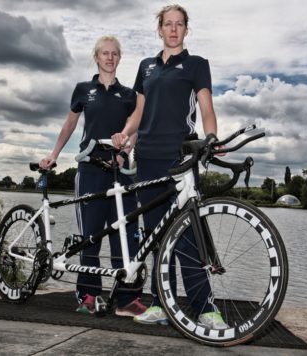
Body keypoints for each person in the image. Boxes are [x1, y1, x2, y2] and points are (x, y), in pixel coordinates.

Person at [112, 4, 227, 329]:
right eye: (168, 24)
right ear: (160, 29)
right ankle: (162, 302)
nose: (173, 29)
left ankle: (205, 308)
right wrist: (125, 134)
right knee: (157, 236)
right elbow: (138, 112)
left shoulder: (196, 65)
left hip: (180, 158)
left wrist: (211, 137)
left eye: (179, 24)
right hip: (147, 158)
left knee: (189, 236)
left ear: (186, 30)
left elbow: (206, 108)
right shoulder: (146, 67)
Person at [40, 36, 146, 317]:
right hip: (90, 170)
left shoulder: (129, 95)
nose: (110, 58)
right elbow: (70, 124)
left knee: (126, 235)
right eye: (104, 54)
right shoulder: (83, 90)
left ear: (119, 58)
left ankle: (127, 299)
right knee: (91, 236)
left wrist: (125, 151)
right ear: (96, 57)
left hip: (121, 172)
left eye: (114, 54)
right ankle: (88, 295)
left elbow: (134, 130)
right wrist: (54, 155)